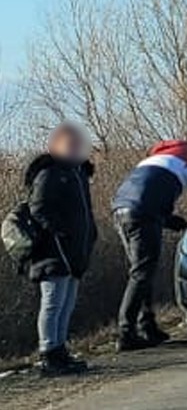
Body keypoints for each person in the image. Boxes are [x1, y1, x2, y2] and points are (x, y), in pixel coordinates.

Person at [110, 140, 187, 351]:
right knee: (142, 273)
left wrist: (182, 223)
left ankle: (147, 326)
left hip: (121, 209)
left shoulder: (158, 159)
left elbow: (152, 200)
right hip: (142, 212)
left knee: (141, 272)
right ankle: (126, 332)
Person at [25, 123, 96, 376]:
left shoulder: (78, 173)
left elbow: (85, 213)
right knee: (53, 302)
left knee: (67, 302)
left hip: (75, 251)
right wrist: (58, 232)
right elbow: (38, 208)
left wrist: (89, 236)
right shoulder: (50, 173)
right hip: (52, 250)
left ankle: (60, 348)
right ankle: (48, 353)